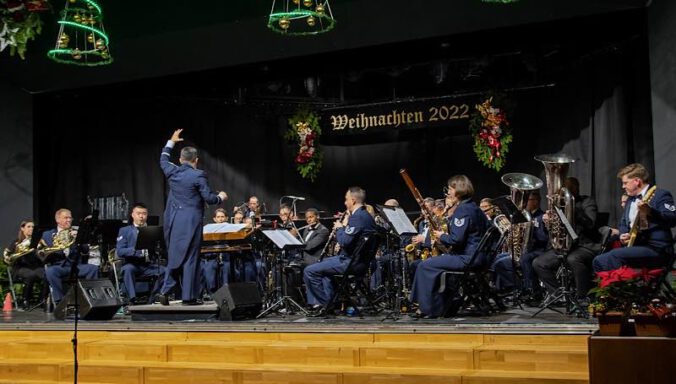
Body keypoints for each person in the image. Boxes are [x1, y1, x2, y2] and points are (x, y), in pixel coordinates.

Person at [157, 129, 228, 305]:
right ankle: (189, 297)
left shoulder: (172, 171)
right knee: (191, 258)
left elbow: (163, 158)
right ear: (196, 161)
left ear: (180, 160)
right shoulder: (198, 175)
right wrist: (221, 197)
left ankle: (165, 290)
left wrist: (171, 141)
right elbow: (209, 199)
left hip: (173, 220)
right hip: (191, 221)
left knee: (174, 255)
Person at [410, 175, 489, 318]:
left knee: (424, 265)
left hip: (468, 258)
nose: (448, 192)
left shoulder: (463, 210)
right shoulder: (475, 208)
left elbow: (456, 240)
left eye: (451, 189)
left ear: (459, 190)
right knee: (433, 264)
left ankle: (427, 308)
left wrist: (441, 236)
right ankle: (440, 304)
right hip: (479, 257)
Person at [303, 187, 377, 312]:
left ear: (353, 200)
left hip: (351, 262)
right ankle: (332, 302)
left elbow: (344, 241)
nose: (345, 202)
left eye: (346, 199)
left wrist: (340, 228)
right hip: (359, 261)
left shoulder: (357, 217)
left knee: (309, 271)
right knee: (323, 268)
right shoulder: (366, 216)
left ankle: (327, 304)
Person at [593, 163, 676, 272]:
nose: (623, 186)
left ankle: (624, 287)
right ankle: (625, 287)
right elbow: (623, 223)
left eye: (625, 183)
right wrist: (623, 235)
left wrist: (651, 212)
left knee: (608, 258)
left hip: (657, 249)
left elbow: (672, 219)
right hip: (636, 247)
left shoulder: (660, 195)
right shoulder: (630, 200)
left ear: (637, 181)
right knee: (598, 259)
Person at [533, 177, 602, 302]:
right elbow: (554, 231)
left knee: (573, 259)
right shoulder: (558, 206)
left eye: (569, 189)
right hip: (565, 246)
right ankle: (559, 295)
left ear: (576, 188)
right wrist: (548, 223)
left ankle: (583, 297)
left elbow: (590, 225)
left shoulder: (587, 202)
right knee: (539, 263)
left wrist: (572, 207)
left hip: (584, 245)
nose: (564, 193)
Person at [39, 209, 99, 305]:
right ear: (57, 220)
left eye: (70, 217)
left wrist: (79, 240)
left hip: (75, 266)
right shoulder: (47, 234)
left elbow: (85, 250)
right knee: (50, 271)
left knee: (93, 268)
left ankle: (89, 299)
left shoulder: (76, 232)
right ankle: (61, 302)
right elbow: (42, 252)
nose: (69, 220)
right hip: (59, 266)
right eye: (66, 218)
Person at [116, 203, 166, 305]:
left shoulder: (153, 230)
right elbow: (120, 251)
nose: (141, 216)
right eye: (138, 213)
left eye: (144, 214)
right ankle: (132, 299)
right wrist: (136, 251)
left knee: (164, 271)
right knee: (127, 269)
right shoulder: (125, 231)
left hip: (148, 265)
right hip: (132, 264)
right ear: (132, 215)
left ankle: (152, 299)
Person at [3, 220, 45, 309]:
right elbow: (7, 254)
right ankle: (25, 300)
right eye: (28, 226)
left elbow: (43, 254)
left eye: (33, 227)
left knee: (47, 274)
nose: (31, 229)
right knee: (31, 275)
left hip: (35, 266)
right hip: (20, 267)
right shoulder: (17, 242)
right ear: (22, 228)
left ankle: (42, 300)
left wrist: (39, 250)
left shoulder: (38, 241)